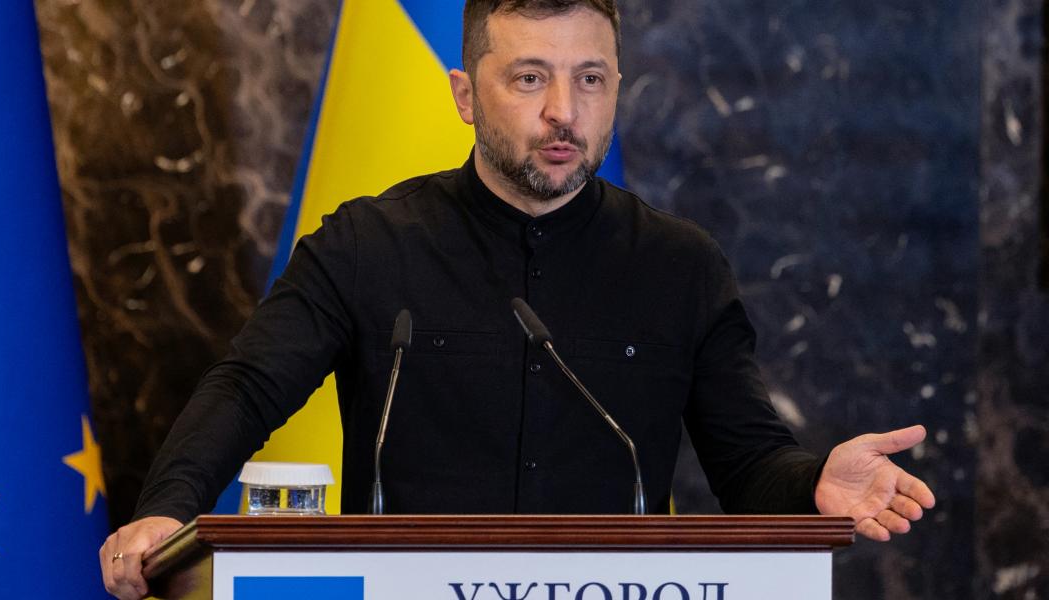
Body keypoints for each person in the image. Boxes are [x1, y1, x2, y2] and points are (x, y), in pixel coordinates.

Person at [100, 1, 937, 597]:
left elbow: (748, 467)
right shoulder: (366, 246)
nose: (564, 112)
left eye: (591, 79)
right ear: (465, 94)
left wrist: (813, 483)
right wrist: (168, 509)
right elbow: (249, 387)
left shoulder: (680, 268)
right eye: (530, 78)